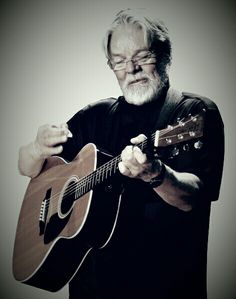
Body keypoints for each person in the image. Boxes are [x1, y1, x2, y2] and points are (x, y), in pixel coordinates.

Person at [18, 8, 224, 299]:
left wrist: (156, 174)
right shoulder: (95, 116)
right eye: (120, 61)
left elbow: (195, 198)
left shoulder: (192, 115)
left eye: (142, 57)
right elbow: (27, 167)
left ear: (165, 55)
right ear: (111, 66)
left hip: (165, 287)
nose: (132, 69)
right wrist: (36, 149)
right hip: (90, 289)